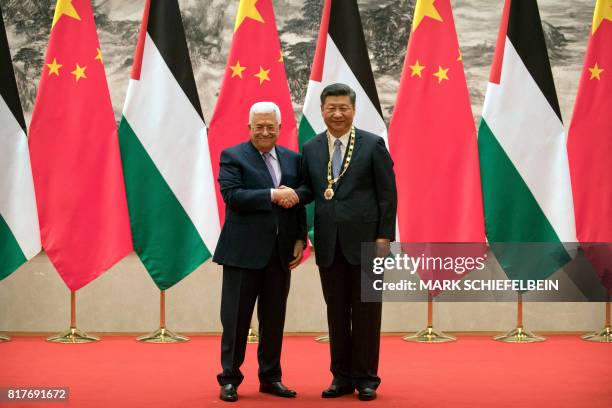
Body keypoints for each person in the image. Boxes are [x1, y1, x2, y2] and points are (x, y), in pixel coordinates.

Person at [296, 83, 397, 401]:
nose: (337, 113)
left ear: (353, 110)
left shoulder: (372, 144)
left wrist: (384, 237)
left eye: (343, 108)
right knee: (336, 313)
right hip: (328, 245)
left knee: (367, 312)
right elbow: (306, 193)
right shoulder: (310, 148)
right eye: (331, 108)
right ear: (322, 110)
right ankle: (340, 377)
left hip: (368, 243)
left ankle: (366, 378)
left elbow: (387, 195)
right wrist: (287, 198)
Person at [213, 101, 306, 402]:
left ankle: (270, 377)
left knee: (274, 319)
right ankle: (229, 379)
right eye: (259, 126)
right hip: (242, 254)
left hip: (280, 256)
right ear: (249, 127)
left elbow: (298, 203)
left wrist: (299, 240)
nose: (264, 132)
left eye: (270, 127)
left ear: (280, 129)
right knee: (236, 320)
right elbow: (232, 196)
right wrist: (272, 194)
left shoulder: (293, 160)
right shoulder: (233, 156)